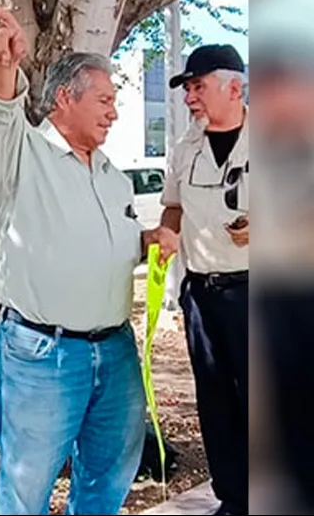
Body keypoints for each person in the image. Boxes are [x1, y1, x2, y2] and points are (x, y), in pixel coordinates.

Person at [0, 6, 178, 515]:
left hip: (115, 351)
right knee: (26, 487)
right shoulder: (21, 155)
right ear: (65, 97)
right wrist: (4, 65)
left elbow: (108, 242)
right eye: (105, 100)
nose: (114, 113)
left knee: (109, 475)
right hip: (42, 353)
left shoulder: (114, 176)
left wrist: (149, 237)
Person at [159, 44, 249, 515]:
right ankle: (234, 500)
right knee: (216, 404)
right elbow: (173, 204)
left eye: (198, 86)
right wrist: (168, 231)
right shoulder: (183, 149)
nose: (190, 97)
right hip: (202, 297)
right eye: (187, 88)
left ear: (234, 87)